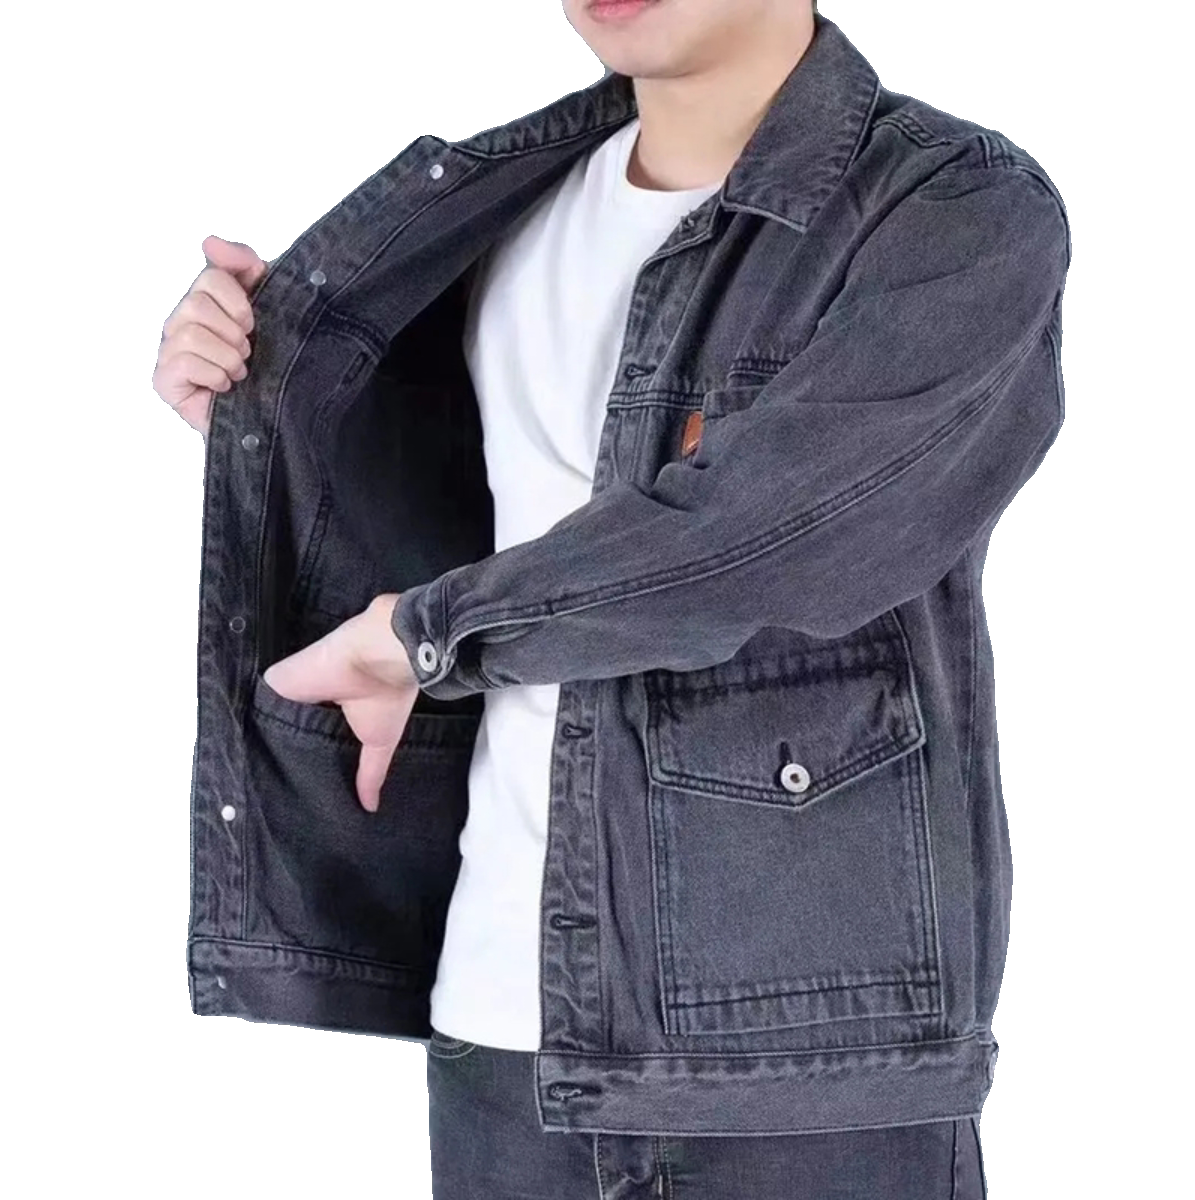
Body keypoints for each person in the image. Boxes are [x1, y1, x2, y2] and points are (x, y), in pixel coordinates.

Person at [155, 2, 1069, 1196]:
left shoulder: (957, 210)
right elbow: (446, 514)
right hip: (498, 1042)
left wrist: (428, 638)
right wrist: (269, 393)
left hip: (795, 1068)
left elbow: (766, 536)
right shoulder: (500, 207)